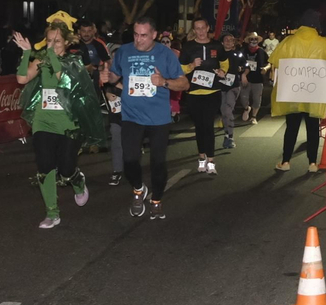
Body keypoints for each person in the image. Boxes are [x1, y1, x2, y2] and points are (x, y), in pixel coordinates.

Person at [13, 25, 106, 228]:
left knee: (66, 169)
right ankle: (52, 213)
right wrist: (27, 53)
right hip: (43, 121)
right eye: (49, 41)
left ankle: (77, 180)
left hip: (68, 123)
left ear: (67, 42)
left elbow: (60, 78)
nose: (52, 45)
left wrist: (50, 56)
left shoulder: (74, 62)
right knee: (45, 166)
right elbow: (22, 78)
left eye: (57, 41)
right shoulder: (42, 61)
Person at [100, 18, 188, 219]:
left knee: (158, 163)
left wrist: (164, 82)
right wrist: (107, 77)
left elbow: (184, 84)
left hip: (159, 119)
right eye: (136, 34)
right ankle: (138, 189)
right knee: (129, 160)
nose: (138, 40)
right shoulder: (124, 51)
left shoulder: (166, 54)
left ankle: (156, 200)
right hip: (131, 116)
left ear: (154, 35)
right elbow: (114, 76)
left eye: (144, 35)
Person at [270, 11, 326, 172]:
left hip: (292, 94)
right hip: (315, 95)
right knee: (313, 128)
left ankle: (285, 162)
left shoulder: (288, 42)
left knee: (291, 128)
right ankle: (312, 163)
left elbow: (275, 62)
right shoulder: (325, 44)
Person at [178, 18, 225, 176]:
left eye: (202, 28)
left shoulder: (216, 45)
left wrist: (222, 71)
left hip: (212, 91)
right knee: (199, 126)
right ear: (194, 30)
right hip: (194, 92)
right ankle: (201, 157)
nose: (200, 31)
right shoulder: (188, 47)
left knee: (208, 125)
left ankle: (211, 160)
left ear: (207, 28)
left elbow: (224, 62)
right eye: (197, 28)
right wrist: (192, 65)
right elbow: (180, 68)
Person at [237, 32, 270, 122]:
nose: (254, 41)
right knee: (243, 98)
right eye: (252, 39)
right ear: (248, 41)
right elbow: (237, 62)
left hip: (258, 79)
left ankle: (254, 117)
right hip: (245, 78)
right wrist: (240, 69)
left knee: (257, 99)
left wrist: (266, 68)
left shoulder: (261, 51)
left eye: (255, 39)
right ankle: (246, 108)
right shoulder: (243, 51)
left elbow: (269, 62)